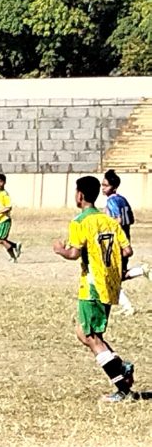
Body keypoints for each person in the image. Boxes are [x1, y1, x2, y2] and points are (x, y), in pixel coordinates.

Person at [53, 176, 139, 402]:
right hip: (109, 285)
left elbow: (73, 254)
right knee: (87, 334)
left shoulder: (80, 222)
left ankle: (122, 388)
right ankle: (122, 367)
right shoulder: (109, 221)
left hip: (91, 286)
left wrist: (60, 249)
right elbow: (127, 250)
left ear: (80, 195)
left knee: (89, 335)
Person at [102, 169, 150, 315]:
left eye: (105, 185)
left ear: (114, 187)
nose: (103, 188)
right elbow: (131, 219)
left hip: (117, 243)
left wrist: (106, 225)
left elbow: (118, 220)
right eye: (102, 185)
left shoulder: (111, 201)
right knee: (119, 275)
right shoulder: (122, 199)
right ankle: (142, 270)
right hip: (126, 240)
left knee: (111, 278)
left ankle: (128, 307)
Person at [0, 173, 22, 262]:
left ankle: (13, 256)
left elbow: (8, 207)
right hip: (0, 220)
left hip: (5, 220)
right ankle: (15, 247)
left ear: (4, 182)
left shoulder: (5, 194)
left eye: (0, 182)